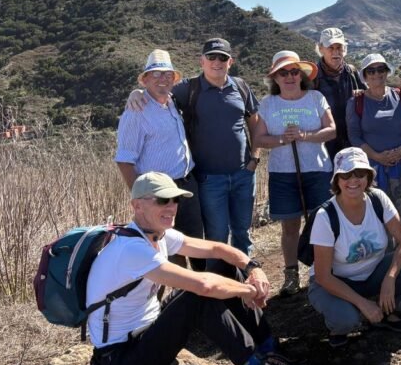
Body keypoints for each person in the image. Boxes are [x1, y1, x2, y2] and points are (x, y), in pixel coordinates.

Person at [87, 172, 311, 365]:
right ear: (137, 205)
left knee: (225, 266)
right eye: (162, 200)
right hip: (122, 358)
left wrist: (252, 267)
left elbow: (216, 249)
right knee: (200, 296)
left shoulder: (158, 235)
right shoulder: (131, 248)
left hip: (148, 329)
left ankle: (270, 352)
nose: (172, 207)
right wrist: (246, 291)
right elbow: (203, 285)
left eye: (175, 200)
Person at [128, 38, 261, 256]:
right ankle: (221, 285)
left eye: (222, 57)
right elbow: (159, 91)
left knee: (242, 232)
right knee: (216, 235)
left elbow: (255, 122)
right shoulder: (188, 89)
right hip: (209, 180)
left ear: (230, 61)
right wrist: (138, 93)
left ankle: (245, 279)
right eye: (211, 57)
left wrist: (254, 158)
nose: (216, 62)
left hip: (244, 175)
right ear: (202, 61)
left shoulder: (240, 86)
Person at [306, 147, 401, 347]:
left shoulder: (377, 199)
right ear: (337, 180)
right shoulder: (326, 216)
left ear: (368, 176)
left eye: (360, 174)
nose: (353, 180)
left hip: (373, 274)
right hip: (336, 281)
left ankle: (385, 310)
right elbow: (323, 276)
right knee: (347, 321)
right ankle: (353, 315)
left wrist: (390, 278)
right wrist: (361, 303)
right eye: (346, 174)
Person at [255, 51, 335, 297]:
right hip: (283, 173)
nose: (289, 77)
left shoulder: (315, 97)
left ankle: (323, 272)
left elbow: (331, 130)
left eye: (293, 72)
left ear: (301, 75)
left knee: (321, 224)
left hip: (318, 170)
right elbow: (258, 138)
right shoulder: (268, 104)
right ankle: (291, 275)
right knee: (290, 227)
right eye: (283, 72)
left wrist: (305, 137)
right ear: (275, 78)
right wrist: (282, 139)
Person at [115, 50, 202, 253]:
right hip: (158, 194)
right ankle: (180, 285)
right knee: (167, 248)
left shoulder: (172, 101)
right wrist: (142, 197)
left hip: (187, 184)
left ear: (174, 79)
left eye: (167, 74)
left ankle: (196, 284)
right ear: (145, 80)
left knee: (194, 242)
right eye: (155, 74)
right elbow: (124, 161)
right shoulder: (136, 112)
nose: (162, 79)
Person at [345, 53, 401, 209]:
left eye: (380, 69)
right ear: (365, 76)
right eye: (371, 71)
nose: (377, 74)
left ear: (386, 71)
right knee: (379, 212)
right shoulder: (356, 102)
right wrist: (377, 156)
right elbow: (354, 136)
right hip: (374, 170)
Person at [313, 27, 364, 159]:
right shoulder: (312, 77)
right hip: (324, 147)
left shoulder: (352, 72)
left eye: (339, 48)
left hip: (352, 142)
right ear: (321, 49)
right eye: (331, 48)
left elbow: (368, 96)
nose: (335, 52)